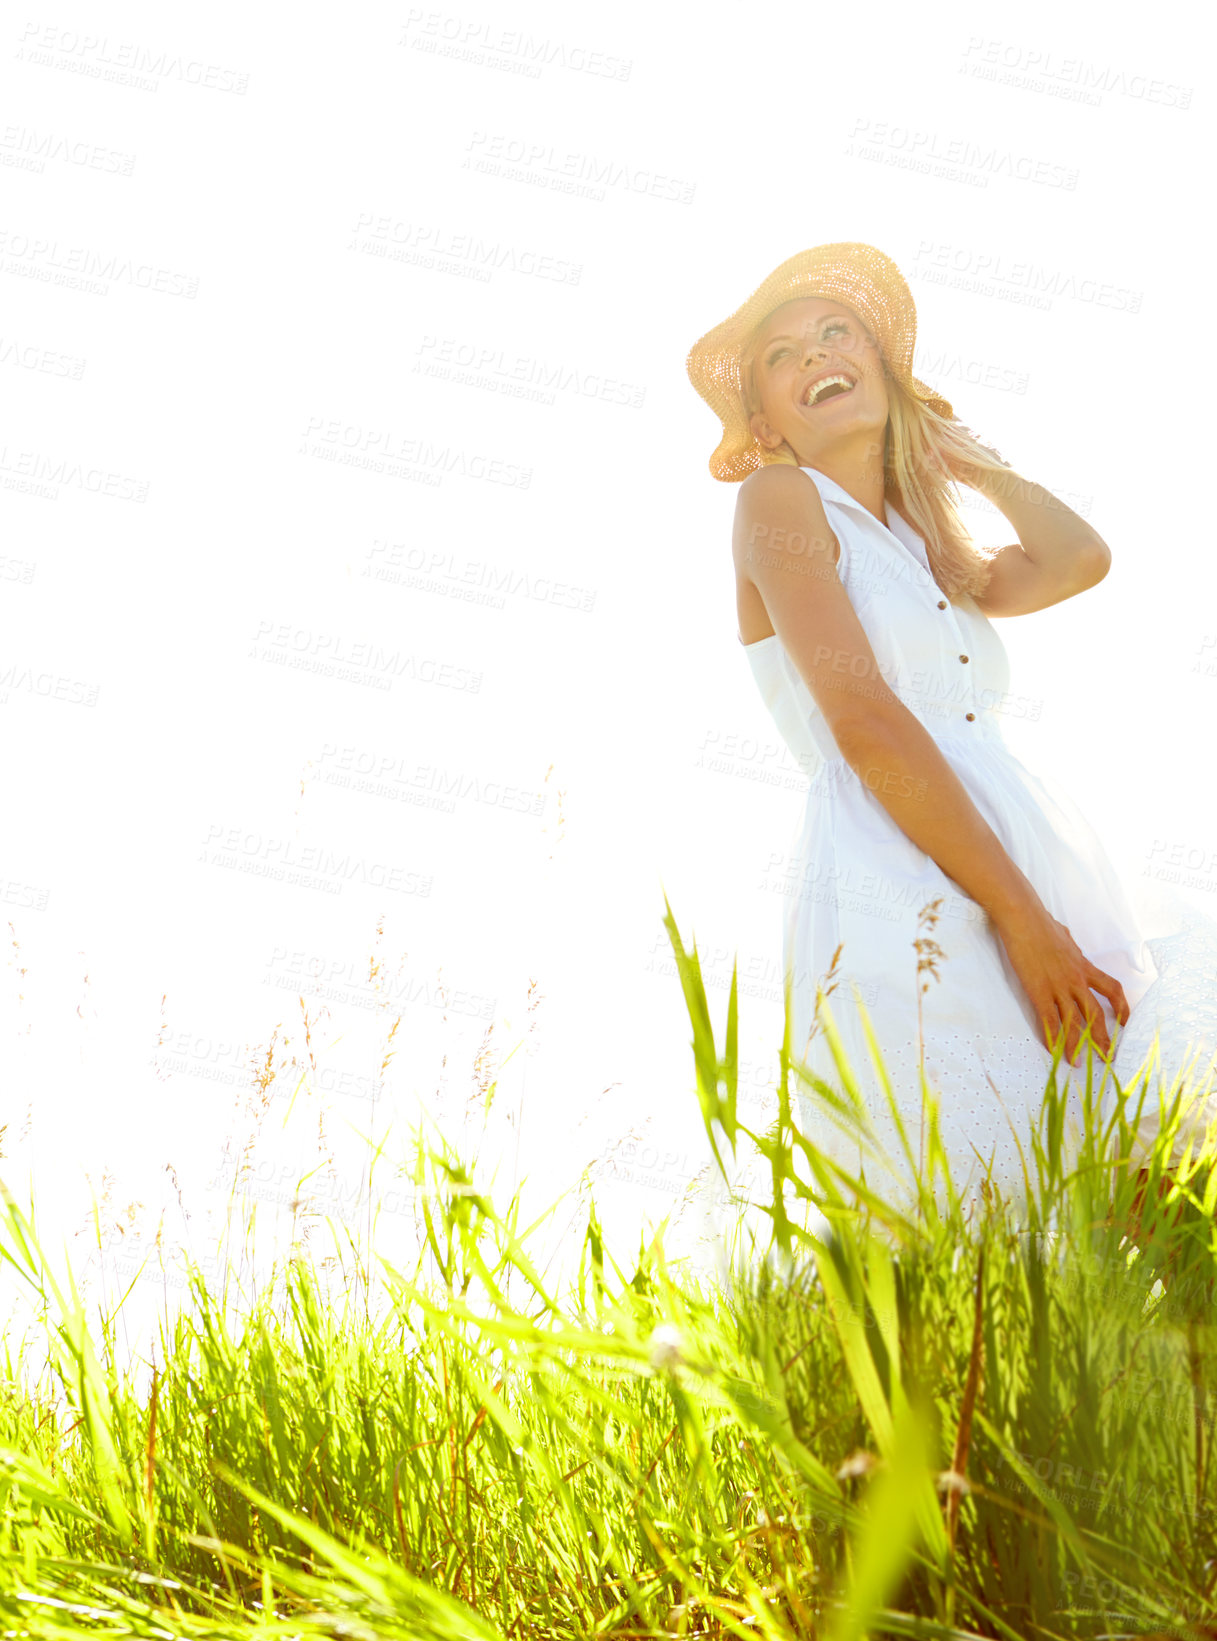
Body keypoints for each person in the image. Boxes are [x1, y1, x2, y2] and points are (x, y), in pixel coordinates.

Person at [685, 242, 1217, 1214]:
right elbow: (864, 722)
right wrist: (1021, 922)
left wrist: (962, 459)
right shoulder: (777, 500)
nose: (815, 353)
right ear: (761, 421)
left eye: (836, 333)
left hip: (1027, 859)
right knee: (984, 1197)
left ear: (885, 372)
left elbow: (1076, 557)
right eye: (783, 353)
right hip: (905, 878)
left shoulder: (923, 548)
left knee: (1133, 1177)